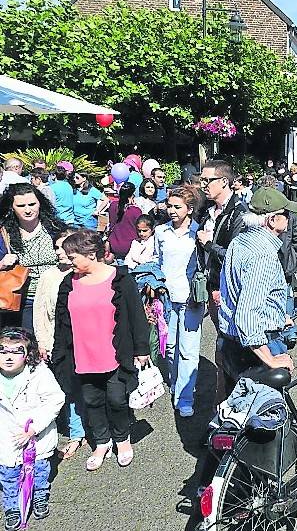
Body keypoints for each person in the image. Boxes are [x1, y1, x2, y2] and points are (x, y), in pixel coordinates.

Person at [52, 230, 150, 471]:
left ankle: (122, 439)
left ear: (90, 254)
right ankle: (102, 442)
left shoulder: (121, 279)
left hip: (115, 354)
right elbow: (61, 323)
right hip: (83, 355)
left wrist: (141, 349)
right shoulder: (68, 283)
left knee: (117, 399)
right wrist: (58, 352)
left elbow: (137, 316)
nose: (69, 262)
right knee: (92, 401)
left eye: (72, 256)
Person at [218, 187, 296, 393]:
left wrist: (277, 317)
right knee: (264, 409)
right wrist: (270, 359)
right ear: (272, 220)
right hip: (254, 348)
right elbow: (247, 314)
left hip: (231, 342)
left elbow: (239, 293)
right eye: (286, 214)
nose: (289, 219)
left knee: (235, 405)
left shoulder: (240, 241)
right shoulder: (263, 255)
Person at [0, 327, 65, 530]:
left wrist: (34, 427)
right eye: (3, 350)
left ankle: (39, 495)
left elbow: (55, 399)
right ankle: (11, 507)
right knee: (8, 475)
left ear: (28, 355)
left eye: (16, 351)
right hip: (7, 439)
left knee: (39, 471)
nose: (8, 357)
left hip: (36, 439)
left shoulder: (39, 374)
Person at [32, 230, 87, 461]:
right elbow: (40, 312)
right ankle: (76, 432)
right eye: (56, 247)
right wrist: (43, 342)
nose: (59, 252)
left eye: (64, 247)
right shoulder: (48, 276)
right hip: (59, 341)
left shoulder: (86, 274)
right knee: (68, 386)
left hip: (85, 340)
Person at [195, 161, 246, 404]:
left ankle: (227, 401)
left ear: (224, 182)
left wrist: (209, 244)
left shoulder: (238, 213)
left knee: (227, 345)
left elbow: (236, 257)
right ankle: (224, 399)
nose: (203, 185)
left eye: (208, 180)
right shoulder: (208, 211)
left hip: (226, 289)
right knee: (222, 343)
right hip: (210, 285)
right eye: (202, 180)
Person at [155, 188, 203, 418]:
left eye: (177, 206)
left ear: (189, 209)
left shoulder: (199, 233)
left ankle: (185, 397)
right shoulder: (160, 231)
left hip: (190, 298)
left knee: (188, 350)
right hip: (166, 296)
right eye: (169, 206)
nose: (171, 210)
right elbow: (158, 260)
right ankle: (176, 383)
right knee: (170, 347)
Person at [0, 184, 67, 332]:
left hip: (56, 296)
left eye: (32, 204)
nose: (28, 210)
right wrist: (2, 263)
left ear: (40, 204)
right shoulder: (4, 233)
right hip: (22, 301)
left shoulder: (55, 229)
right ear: (12, 208)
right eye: (21, 206)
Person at [107, 182, 143, 263]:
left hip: (114, 244)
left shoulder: (113, 205)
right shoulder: (135, 210)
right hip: (130, 246)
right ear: (132, 195)